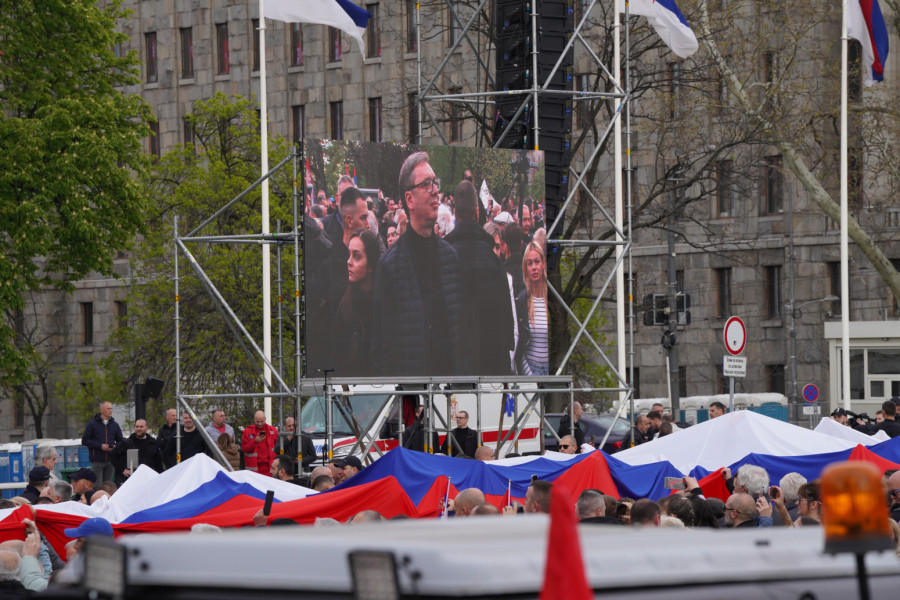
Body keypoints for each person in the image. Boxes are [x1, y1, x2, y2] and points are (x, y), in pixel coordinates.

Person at [372, 151, 463, 376]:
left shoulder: (451, 257)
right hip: (411, 391)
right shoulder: (390, 266)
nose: (435, 191)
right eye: (426, 184)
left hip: (450, 388)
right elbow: (383, 348)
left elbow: (462, 332)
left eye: (435, 183)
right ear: (409, 199)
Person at [444, 180, 516, 375]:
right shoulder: (493, 261)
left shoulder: (444, 259)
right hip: (490, 366)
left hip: (454, 368)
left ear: (455, 214)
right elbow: (506, 329)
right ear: (477, 212)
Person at [334, 230, 382, 375]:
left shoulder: (384, 303)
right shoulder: (344, 302)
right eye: (349, 255)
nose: (349, 262)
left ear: (371, 264)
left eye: (356, 256)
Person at [516, 241, 549, 376]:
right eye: (529, 263)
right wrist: (530, 376)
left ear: (543, 264)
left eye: (537, 262)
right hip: (530, 371)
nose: (534, 267)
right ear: (525, 269)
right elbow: (519, 345)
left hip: (551, 372)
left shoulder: (551, 300)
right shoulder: (521, 301)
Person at [81, 401, 124, 483]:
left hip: (111, 460)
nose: (111, 410)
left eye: (111, 408)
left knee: (108, 486)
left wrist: (115, 447)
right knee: (97, 485)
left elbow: (121, 441)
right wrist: (100, 446)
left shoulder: (115, 425)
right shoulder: (92, 424)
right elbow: (85, 441)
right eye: (108, 409)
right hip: (97, 460)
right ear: (101, 410)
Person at [241, 411, 279, 476]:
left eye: (262, 421)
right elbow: (244, 449)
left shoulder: (272, 430)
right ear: (254, 420)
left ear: (265, 419)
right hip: (254, 470)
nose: (260, 424)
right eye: (257, 422)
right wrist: (254, 441)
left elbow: (276, 447)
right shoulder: (247, 431)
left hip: (270, 469)